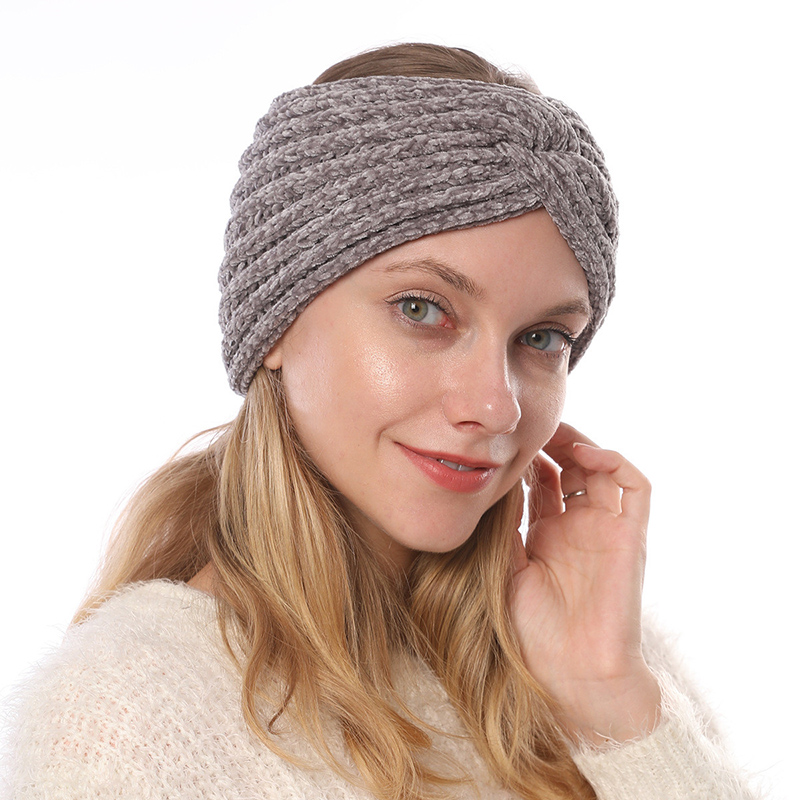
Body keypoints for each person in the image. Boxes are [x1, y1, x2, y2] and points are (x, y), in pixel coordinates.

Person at [3, 43, 760, 800]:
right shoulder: (128, 718)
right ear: (275, 323)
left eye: (542, 338)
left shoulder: (602, 651)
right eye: (422, 309)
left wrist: (606, 696)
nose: (496, 406)